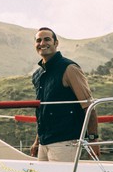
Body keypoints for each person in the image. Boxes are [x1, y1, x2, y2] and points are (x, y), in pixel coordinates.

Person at [29, 27, 99, 162]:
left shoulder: (69, 68)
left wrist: (93, 140)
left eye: (47, 39)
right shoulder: (37, 75)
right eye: (38, 40)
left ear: (56, 43)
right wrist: (37, 141)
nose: (42, 43)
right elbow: (43, 111)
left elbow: (89, 106)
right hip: (44, 143)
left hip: (65, 142)